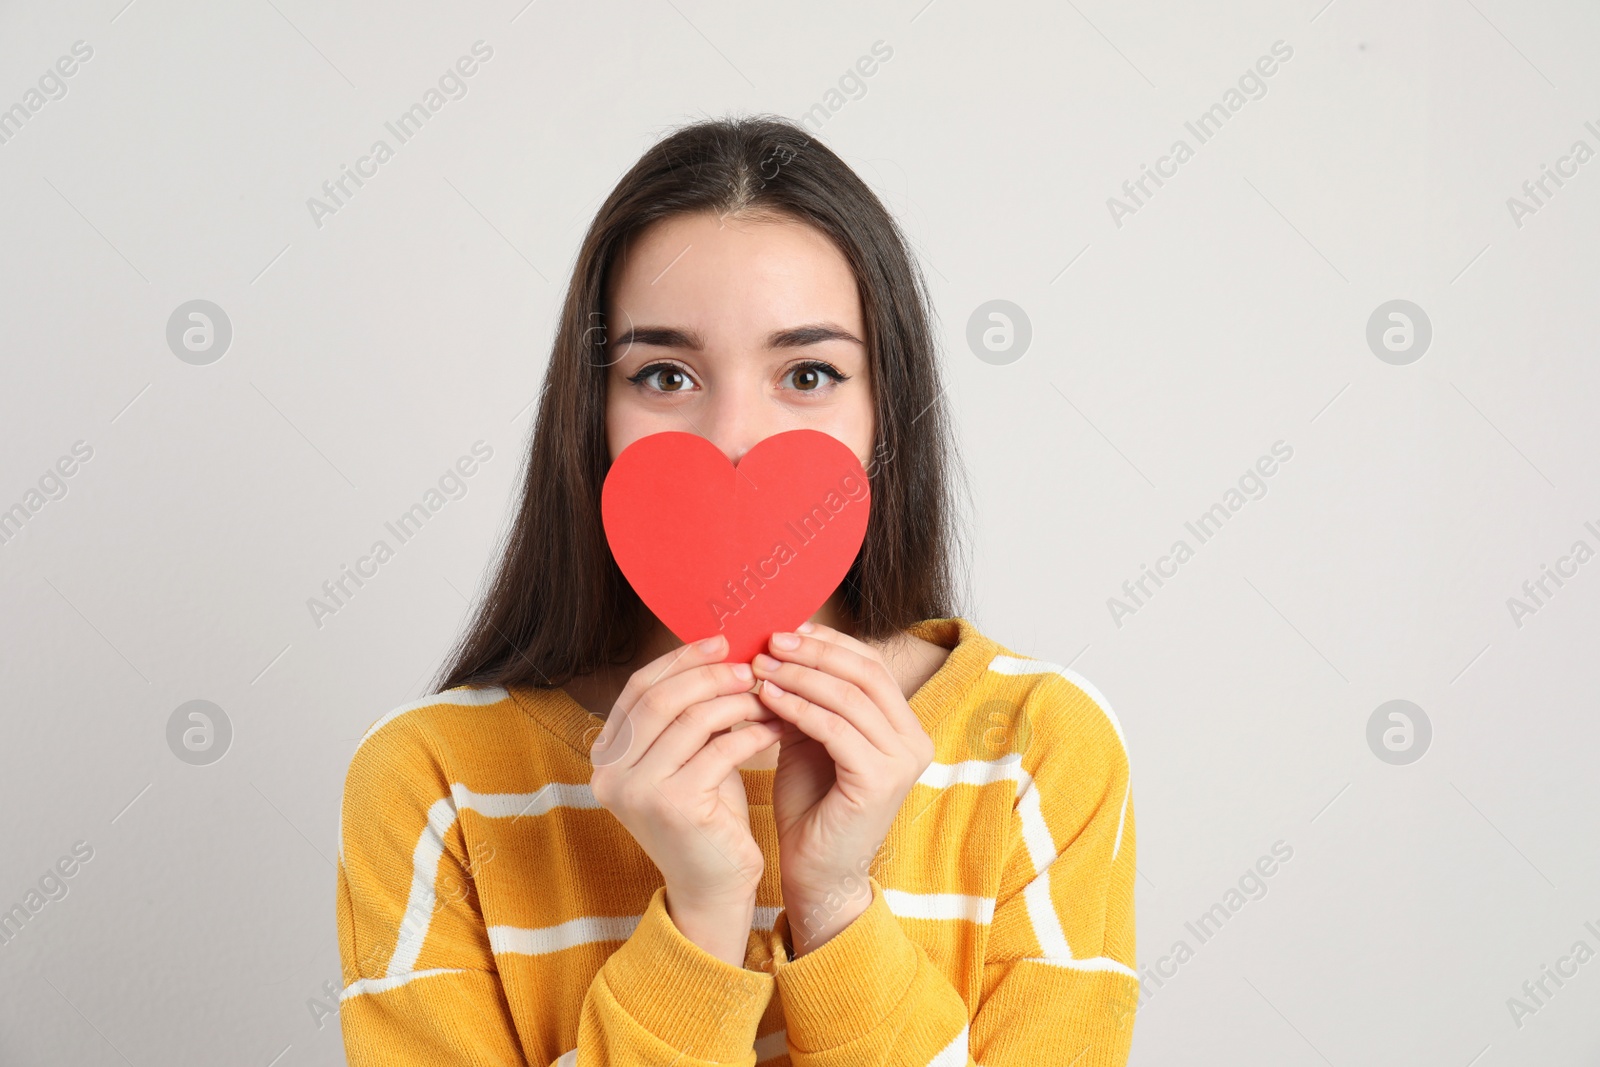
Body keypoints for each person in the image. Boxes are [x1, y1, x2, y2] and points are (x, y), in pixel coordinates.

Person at [335, 114, 1137, 1066]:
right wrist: (701, 917)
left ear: (888, 410)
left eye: (808, 372)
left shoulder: (1038, 751)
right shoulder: (431, 784)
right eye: (665, 374)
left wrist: (835, 905)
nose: (734, 438)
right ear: (590, 413)